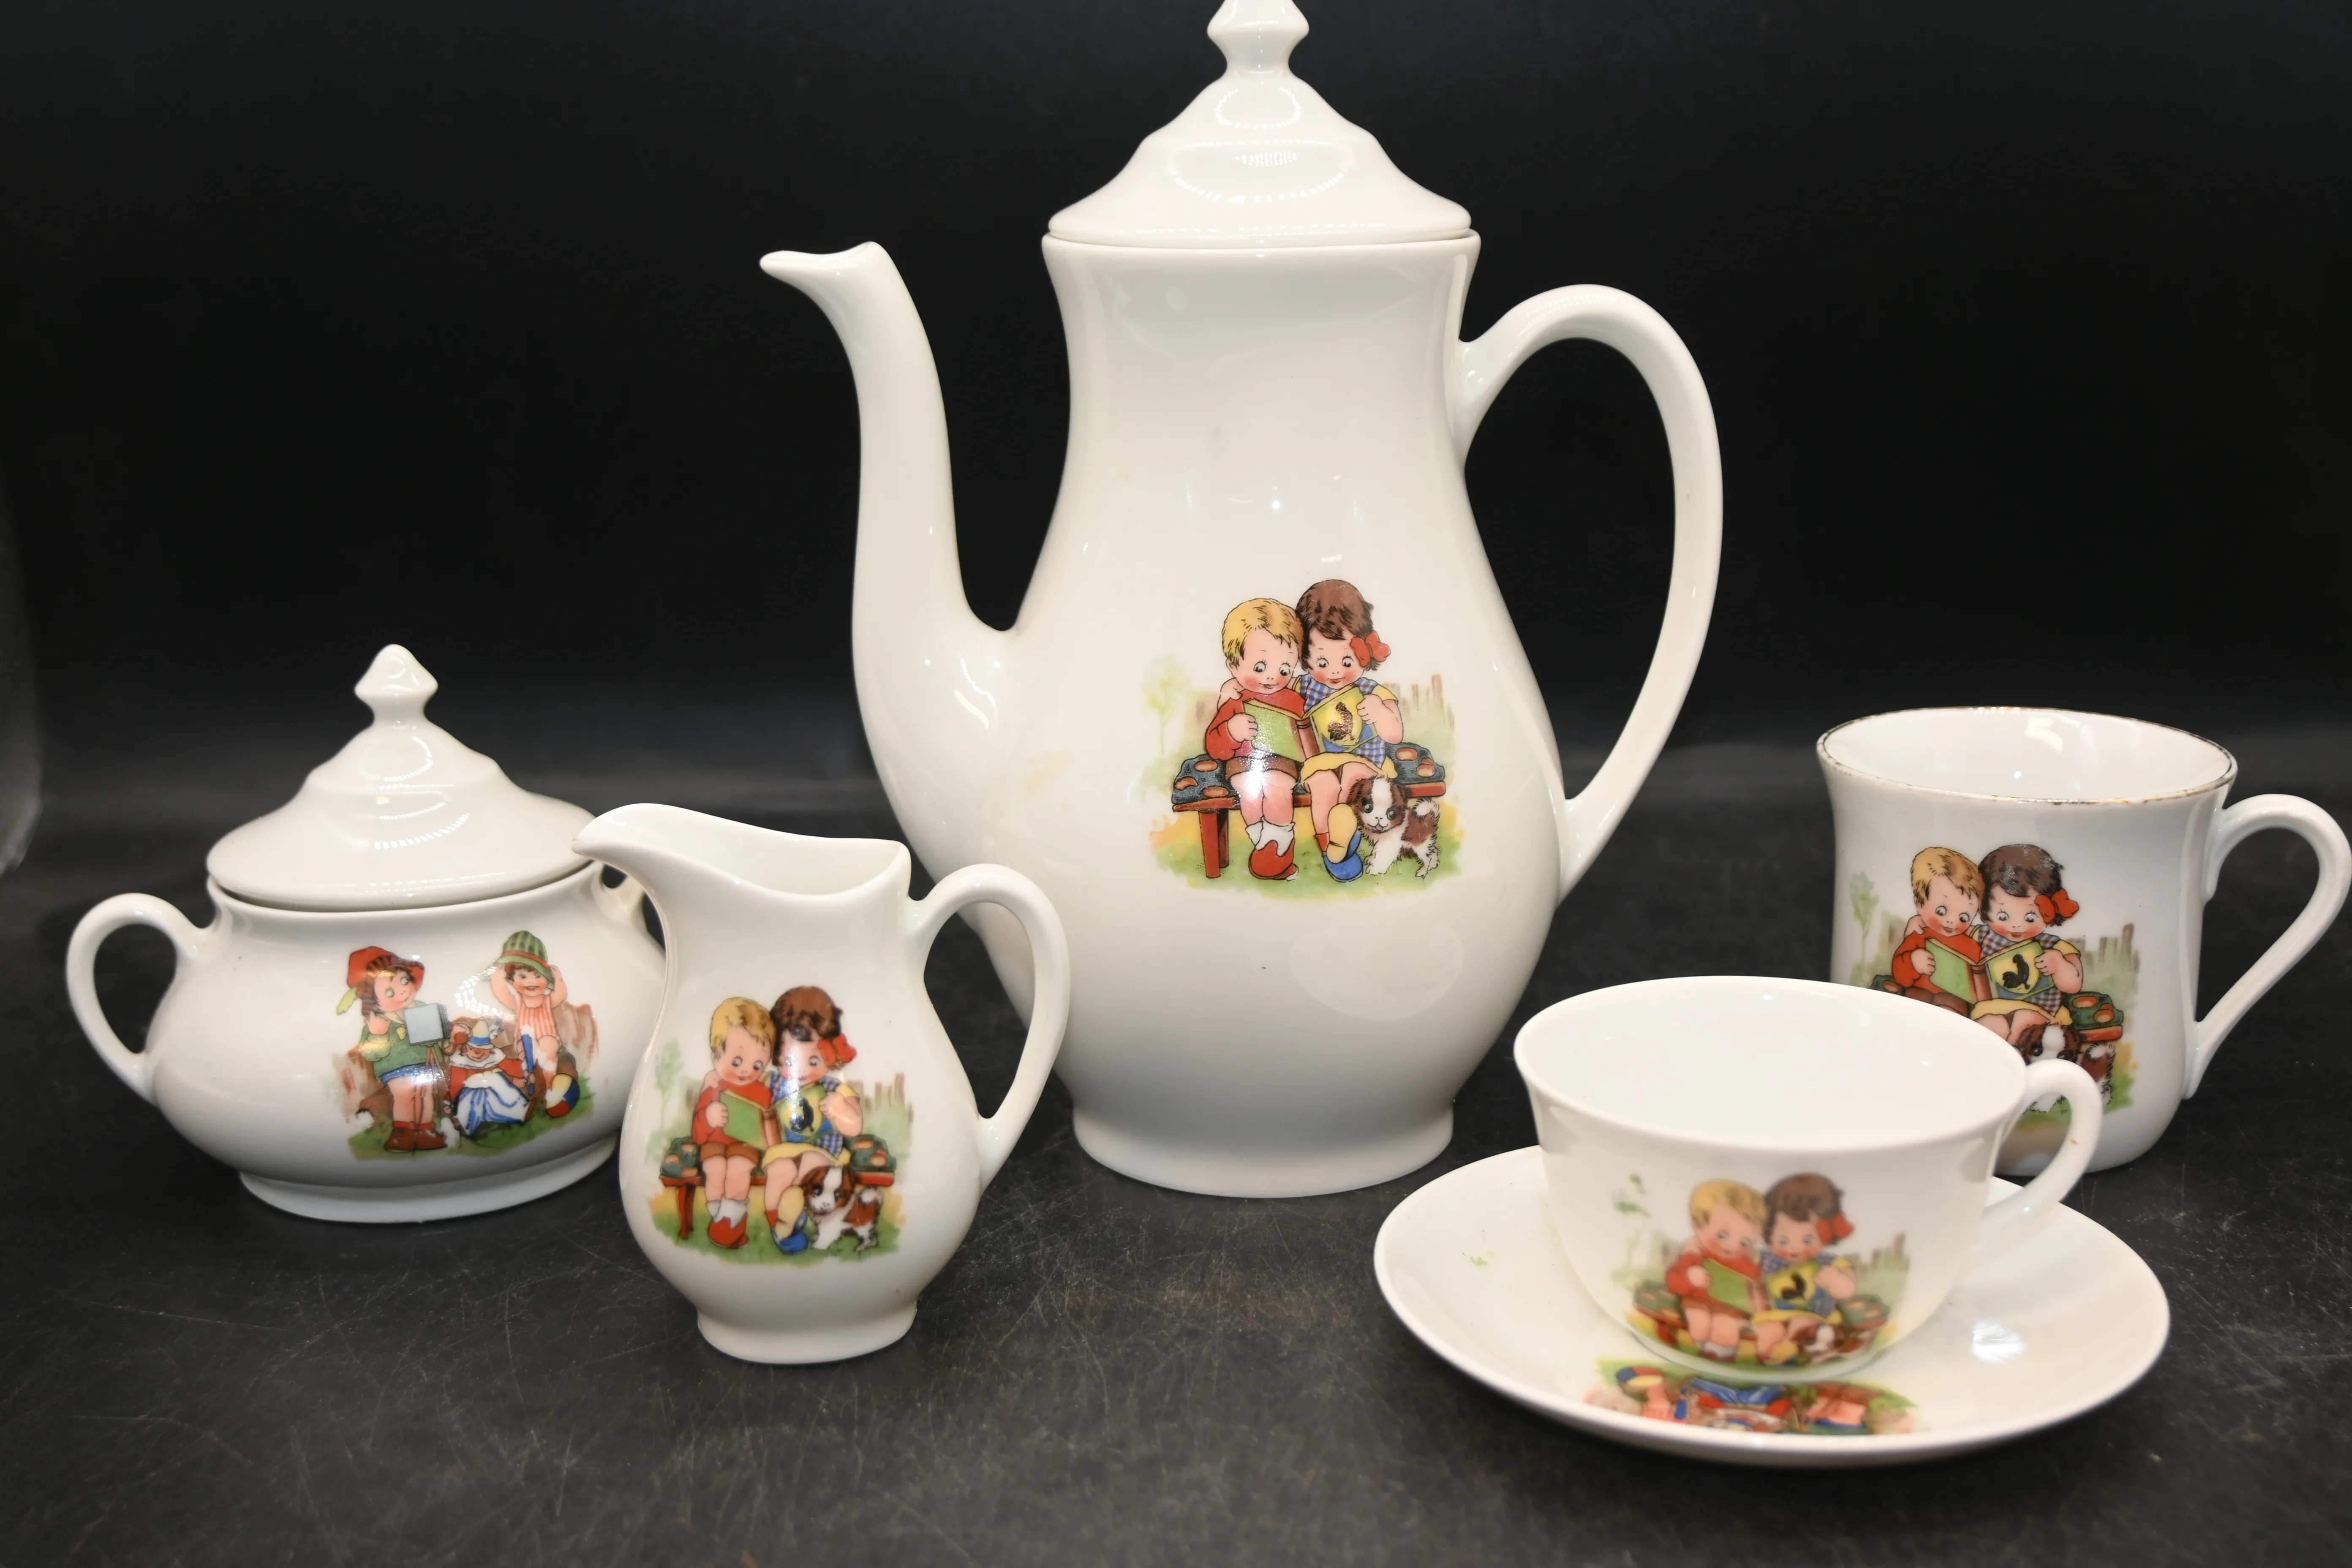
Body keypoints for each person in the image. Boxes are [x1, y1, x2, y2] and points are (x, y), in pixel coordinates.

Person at [1290, 580, 1403, 882]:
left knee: (1353, 774)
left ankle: (1345, 837)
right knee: (1323, 785)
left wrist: (1380, 713)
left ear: (1365, 652)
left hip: (1365, 763)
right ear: (1304, 656)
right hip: (1320, 763)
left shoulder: (1371, 691)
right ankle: (1334, 847)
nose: (1336, 671)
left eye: (1347, 660)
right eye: (1322, 661)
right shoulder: (1302, 688)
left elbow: (1395, 734)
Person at [1202, 599, 1309, 880]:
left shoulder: (1294, 700)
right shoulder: (1236, 701)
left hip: (1283, 761)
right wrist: (1231, 731)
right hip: (1242, 763)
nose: (1273, 677)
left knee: (1278, 785)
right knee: (1249, 789)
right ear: (1234, 666)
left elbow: (1308, 731)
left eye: (1285, 669)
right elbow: (1214, 746)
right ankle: (1267, 845)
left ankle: (1279, 843)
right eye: (1260, 667)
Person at [762, 985, 865, 1254]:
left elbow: (855, 1126)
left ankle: (796, 1213)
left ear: (830, 1055)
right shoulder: (775, 1084)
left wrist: (840, 1109)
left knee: (810, 1161)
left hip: (824, 1154)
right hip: (785, 1150)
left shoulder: (835, 1089)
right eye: (790, 1061)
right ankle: (780, 1226)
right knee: (779, 1170)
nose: (801, 1071)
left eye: (814, 1061)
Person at [1970, 844, 2086, 1049]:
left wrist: (2059, 965)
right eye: (2003, 916)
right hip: (1991, 1009)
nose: (2017, 926)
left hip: (2040, 1012)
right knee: (1990, 1027)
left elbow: (2074, 985)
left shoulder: (2054, 946)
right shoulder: (1979, 936)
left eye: (2030, 917)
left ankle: (2020, 1061)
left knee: (2025, 1020)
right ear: (1985, 909)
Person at [691, 999, 780, 1248]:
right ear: (715, 1057)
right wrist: (709, 1117)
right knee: (715, 1169)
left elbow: (771, 1129)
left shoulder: (763, 1093)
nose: (746, 1071)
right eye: (737, 1062)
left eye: (757, 1065)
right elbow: (698, 1135)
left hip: (746, 1146)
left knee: (739, 1170)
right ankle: (721, 1220)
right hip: (714, 1145)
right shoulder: (713, 1089)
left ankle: (729, 1223)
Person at [339, 946, 446, 1151]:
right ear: (375, 1002)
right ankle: (403, 1133)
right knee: (405, 1094)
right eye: (390, 992)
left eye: (405, 981)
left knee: (425, 1094)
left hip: (424, 1063)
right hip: (397, 1068)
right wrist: (378, 1034)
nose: (403, 991)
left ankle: (426, 1131)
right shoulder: (377, 1021)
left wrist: (446, 1035)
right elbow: (371, 1054)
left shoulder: (420, 1008)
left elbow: (438, 1039)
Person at [1667, 1179, 1769, 1361]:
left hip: (1731, 1310)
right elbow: (1673, 1280)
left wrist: (1757, 1304)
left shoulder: (1748, 1266)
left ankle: (1721, 1359)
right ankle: (1695, 1354)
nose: (1732, 1245)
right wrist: (1690, 1277)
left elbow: (1756, 1291)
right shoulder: (1697, 1255)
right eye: (1722, 1235)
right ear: (1698, 1227)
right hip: (1698, 1302)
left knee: (1725, 1329)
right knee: (1700, 1324)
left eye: (1745, 1242)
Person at [1888, 847, 1985, 1013]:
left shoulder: (1972, 947)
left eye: (1964, 918)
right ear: (1920, 904)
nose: (1952, 921)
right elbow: (1900, 975)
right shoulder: (1919, 937)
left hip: (1953, 1000)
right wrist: (1913, 962)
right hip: (1919, 994)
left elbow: (1979, 983)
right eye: (1941, 911)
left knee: (1950, 1011)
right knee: (1913, 1007)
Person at [487, 930, 572, 1112]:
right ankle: (532, 1081)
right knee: (529, 1053)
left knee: (549, 1044)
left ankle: (548, 1085)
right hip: (526, 1043)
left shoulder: (547, 1001)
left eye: (538, 976)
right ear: (512, 980)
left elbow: (560, 995)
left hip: (548, 1039)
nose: (531, 982)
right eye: (523, 977)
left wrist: (559, 979)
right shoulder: (518, 1002)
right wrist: (497, 977)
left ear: (546, 979)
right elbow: (502, 994)